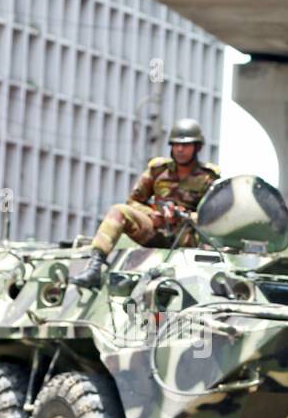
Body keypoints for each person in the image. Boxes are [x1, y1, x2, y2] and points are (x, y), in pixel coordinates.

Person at [71, 118, 219, 289]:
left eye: (185, 145)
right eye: (175, 144)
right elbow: (134, 201)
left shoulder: (208, 178)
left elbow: (213, 219)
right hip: (156, 230)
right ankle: (94, 268)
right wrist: (153, 215)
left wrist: (182, 215)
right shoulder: (158, 171)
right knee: (118, 211)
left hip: (187, 237)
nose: (179, 149)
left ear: (197, 147)